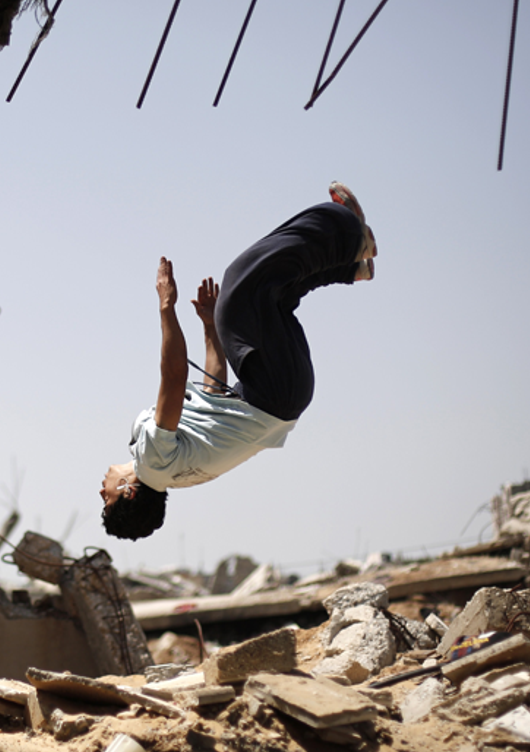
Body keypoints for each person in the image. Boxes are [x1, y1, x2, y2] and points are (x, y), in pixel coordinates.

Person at [100, 182, 378, 540]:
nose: (101, 490)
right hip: (271, 390)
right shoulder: (151, 464)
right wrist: (166, 307)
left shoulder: (172, 472)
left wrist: (210, 326)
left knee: (270, 297)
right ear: (128, 492)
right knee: (241, 284)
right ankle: (347, 235)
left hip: (280, 395)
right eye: (105, 501)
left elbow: (212, 391)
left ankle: (351, 267)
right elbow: (173, 375)